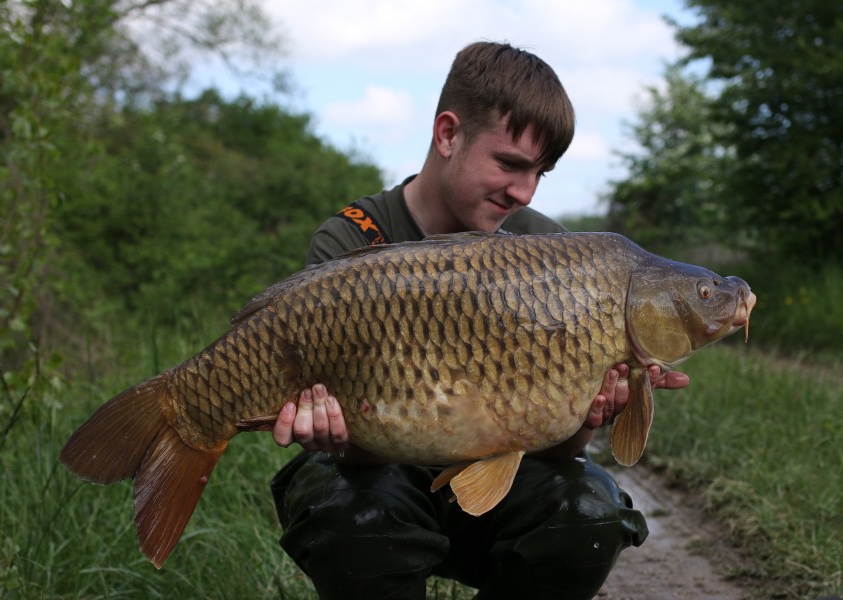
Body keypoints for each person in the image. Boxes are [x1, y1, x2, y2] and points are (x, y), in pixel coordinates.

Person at [269, 41, 688, 599]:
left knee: (589, 510)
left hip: (497, 488)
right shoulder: (353, 239)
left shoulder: (549, 249)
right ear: (447, 135)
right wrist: (338, 440)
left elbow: (558, 454)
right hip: (377, 477)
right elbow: (343, 445)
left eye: (541, 172)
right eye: (511, 164)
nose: (524, 191)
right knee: (353, 512)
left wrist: (587, 417)